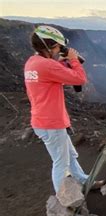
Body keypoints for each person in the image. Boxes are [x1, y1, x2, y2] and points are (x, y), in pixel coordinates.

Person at [24, 25, 89, 193]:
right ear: (49, 46)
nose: (60, 50)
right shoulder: (47, 66)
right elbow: (80, 79)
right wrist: (73, 59)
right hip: (51, 123)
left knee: (70, 156)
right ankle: (64, 202)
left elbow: (50, 70)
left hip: (44, 120)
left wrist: (60, 62)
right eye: (58, 47)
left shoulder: (32, 62)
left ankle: (82, 180)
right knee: (61, 163)